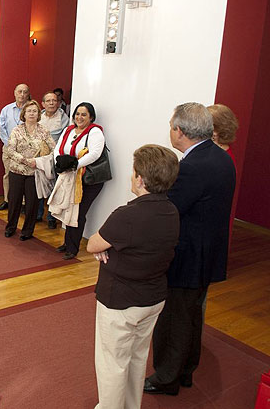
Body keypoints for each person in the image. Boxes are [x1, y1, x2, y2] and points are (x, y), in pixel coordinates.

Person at [145, 103, 236, 396]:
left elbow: (169, 209)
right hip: (207, 253)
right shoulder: (221, 158)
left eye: (171, 126)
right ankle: (184, 370)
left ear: (180, 131)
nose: (170, 131)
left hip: (188, 256)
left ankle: (166, 378)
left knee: (173, 318)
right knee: (192, 316)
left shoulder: (192, 167)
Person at [87, 144, 180, 409]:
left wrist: (105, 250)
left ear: (140, 179)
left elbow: (93, 244)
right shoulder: (171, 211)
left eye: (133, 172)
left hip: (121, 302)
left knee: (112, 365)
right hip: (152, 300)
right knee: (137, 359)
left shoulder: (127, 215)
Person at [54, 102, 106, 260]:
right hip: (70, 177)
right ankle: (67, 242)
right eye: (77, 114)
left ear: (91, 117)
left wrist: (75, 165)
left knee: (78, 213)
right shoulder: (69, 130)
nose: (79, 117)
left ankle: (72, 247)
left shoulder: (95, 131)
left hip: (87, 180)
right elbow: (58, 148)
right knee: (69, 210)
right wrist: (60, 161)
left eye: (84, 114)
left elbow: (95, 153)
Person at [4, 100, 55, 240]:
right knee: (14, 201)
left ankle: (27, 231)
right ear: (24, 114)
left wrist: (38, 162)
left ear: (39, 114)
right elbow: (10, 150)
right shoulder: (17, 130)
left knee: (32, 203)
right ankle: (11, 227)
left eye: (35, 111)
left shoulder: (44, 131)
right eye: (29, 111)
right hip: (17, 171)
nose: (32, 113)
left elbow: (54, 150)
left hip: (35, 173)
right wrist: (26, 161)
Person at [38, 91, 70, 228]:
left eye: (54, 100)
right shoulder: (38, 116)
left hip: (55, 157)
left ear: (58, 103)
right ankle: (38, 214)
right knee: (38, 186)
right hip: (39, 157)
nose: (51, 103)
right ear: (43, 103)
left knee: (55, 187)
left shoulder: (64, 118)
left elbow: (63, 136)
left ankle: (51, 217)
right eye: (48, 101)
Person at [0, 83, 30, 211]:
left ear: (28, 94)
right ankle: (7, 200)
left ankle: (21, 203)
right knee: (8, 175)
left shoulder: (31, 109)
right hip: (8, 148)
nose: (22, 94)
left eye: (25, 92)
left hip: (26, 150)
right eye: (19, 91)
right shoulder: (6, 109)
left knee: (23, 176)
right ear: (14, 93)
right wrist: (9, 144)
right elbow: (2, 129)